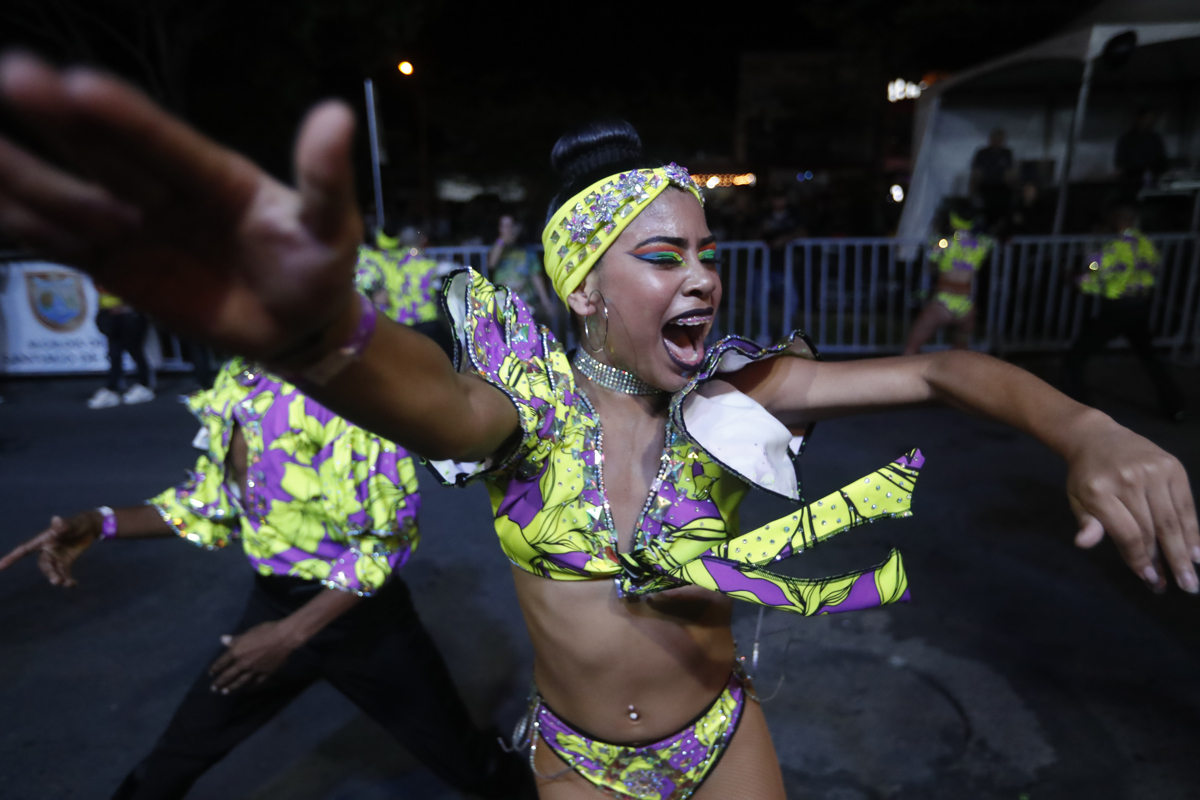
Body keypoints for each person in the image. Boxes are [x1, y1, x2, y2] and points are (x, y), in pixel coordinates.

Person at [0, 59, 1196, 800]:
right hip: (578, 765)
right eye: (661, 257)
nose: (702, 279)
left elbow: (941, 371)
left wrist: (1083, 424)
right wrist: (320, 338)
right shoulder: (516, 414)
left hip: (726, 740)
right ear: (583, 286)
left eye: (708, 256)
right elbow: (414, 391)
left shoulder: (741, 393)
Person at [0, 354, 532, 800]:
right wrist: (102, 521)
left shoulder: (349, 394)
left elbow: (382, 545)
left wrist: (289, 637)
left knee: (472, 768)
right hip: (273, 608)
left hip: (363, 623)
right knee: (170, 763)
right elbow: (211, 505)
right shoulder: (237, 382)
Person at [1065, 204, 1185, 421]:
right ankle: (1175, 407)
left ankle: (1080, 408)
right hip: (1139, 308)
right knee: (1150, 358)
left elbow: (1094, 270)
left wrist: (1078, 278)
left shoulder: (1114, 248)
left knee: (1075, 358)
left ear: (1117, 222)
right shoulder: (1147, 245)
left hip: (1116, 310)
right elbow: (1152, 270)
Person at [903, 209, 992, 355]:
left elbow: (931, 264)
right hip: (966, 305)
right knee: (960, 355)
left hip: (942, 302)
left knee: (911, 348)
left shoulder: (944, 243)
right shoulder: (981, 245)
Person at [357, 225, 455, 356]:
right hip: (428, 325)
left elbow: (376, 293)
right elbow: (452, 271)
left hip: (400, 326)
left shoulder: (378, 262)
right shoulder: (423, 263)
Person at [89, 286, 154, 408]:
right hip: (110, 314)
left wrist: (126, 307)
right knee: (114, 353)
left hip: (130, 313)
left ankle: (144, 385)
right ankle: (113, 388)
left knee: (135, 350)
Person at [488, 214, 553, 326]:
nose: (508, 229)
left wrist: (545, 301)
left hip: (526, 304)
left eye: (510, 226)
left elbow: (535, 276)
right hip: (502, 304)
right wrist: (501, 241)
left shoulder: (527, 251)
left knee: (527, 339)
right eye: (504, 226)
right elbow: (491, 264)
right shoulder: (497, 249)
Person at [1115, 108, 1168, 203]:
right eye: (1148, 119)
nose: (1150, 122)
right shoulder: (1127, 139)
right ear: (1139, 119)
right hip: (1131, 182)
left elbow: (1162, 160)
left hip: (1154, 180)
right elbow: (1121, 162)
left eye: (1152, 119)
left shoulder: (1155, 139)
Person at [970, 128, 1014, 233]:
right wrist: (973, 190)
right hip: (985, 187)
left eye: (1000, 139)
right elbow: (977, 173)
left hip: (1001, 189)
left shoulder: (1006, 153)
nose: (997, 141)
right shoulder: (983, 153)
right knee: (984, 215)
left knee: (1000, 215)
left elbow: (1009, 173)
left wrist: (1012, 189)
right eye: (995, 138)